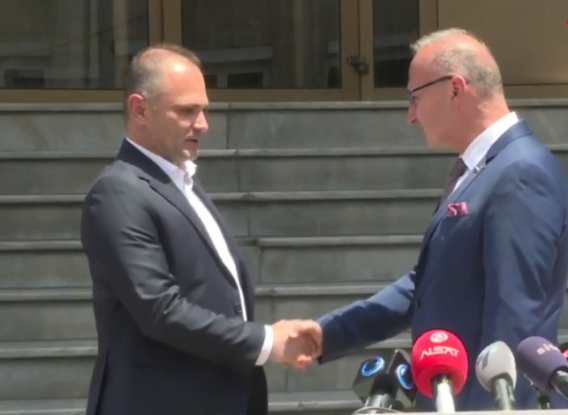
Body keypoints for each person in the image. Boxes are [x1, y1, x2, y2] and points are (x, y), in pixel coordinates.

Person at [293, 28, 568, 410]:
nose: (410, 116)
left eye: (414, 97)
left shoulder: (519, 173)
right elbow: (427, 285)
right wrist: (328, 333)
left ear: (455, 89)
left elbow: (514, 322)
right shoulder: (482, 170)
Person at [80, 43, 319, 415]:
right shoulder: (117, 193)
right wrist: (267, 341)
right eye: (186, 111)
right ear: (140, 109)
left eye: (204, 110)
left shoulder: (181, 184)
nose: (203, 124)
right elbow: (160, 310)